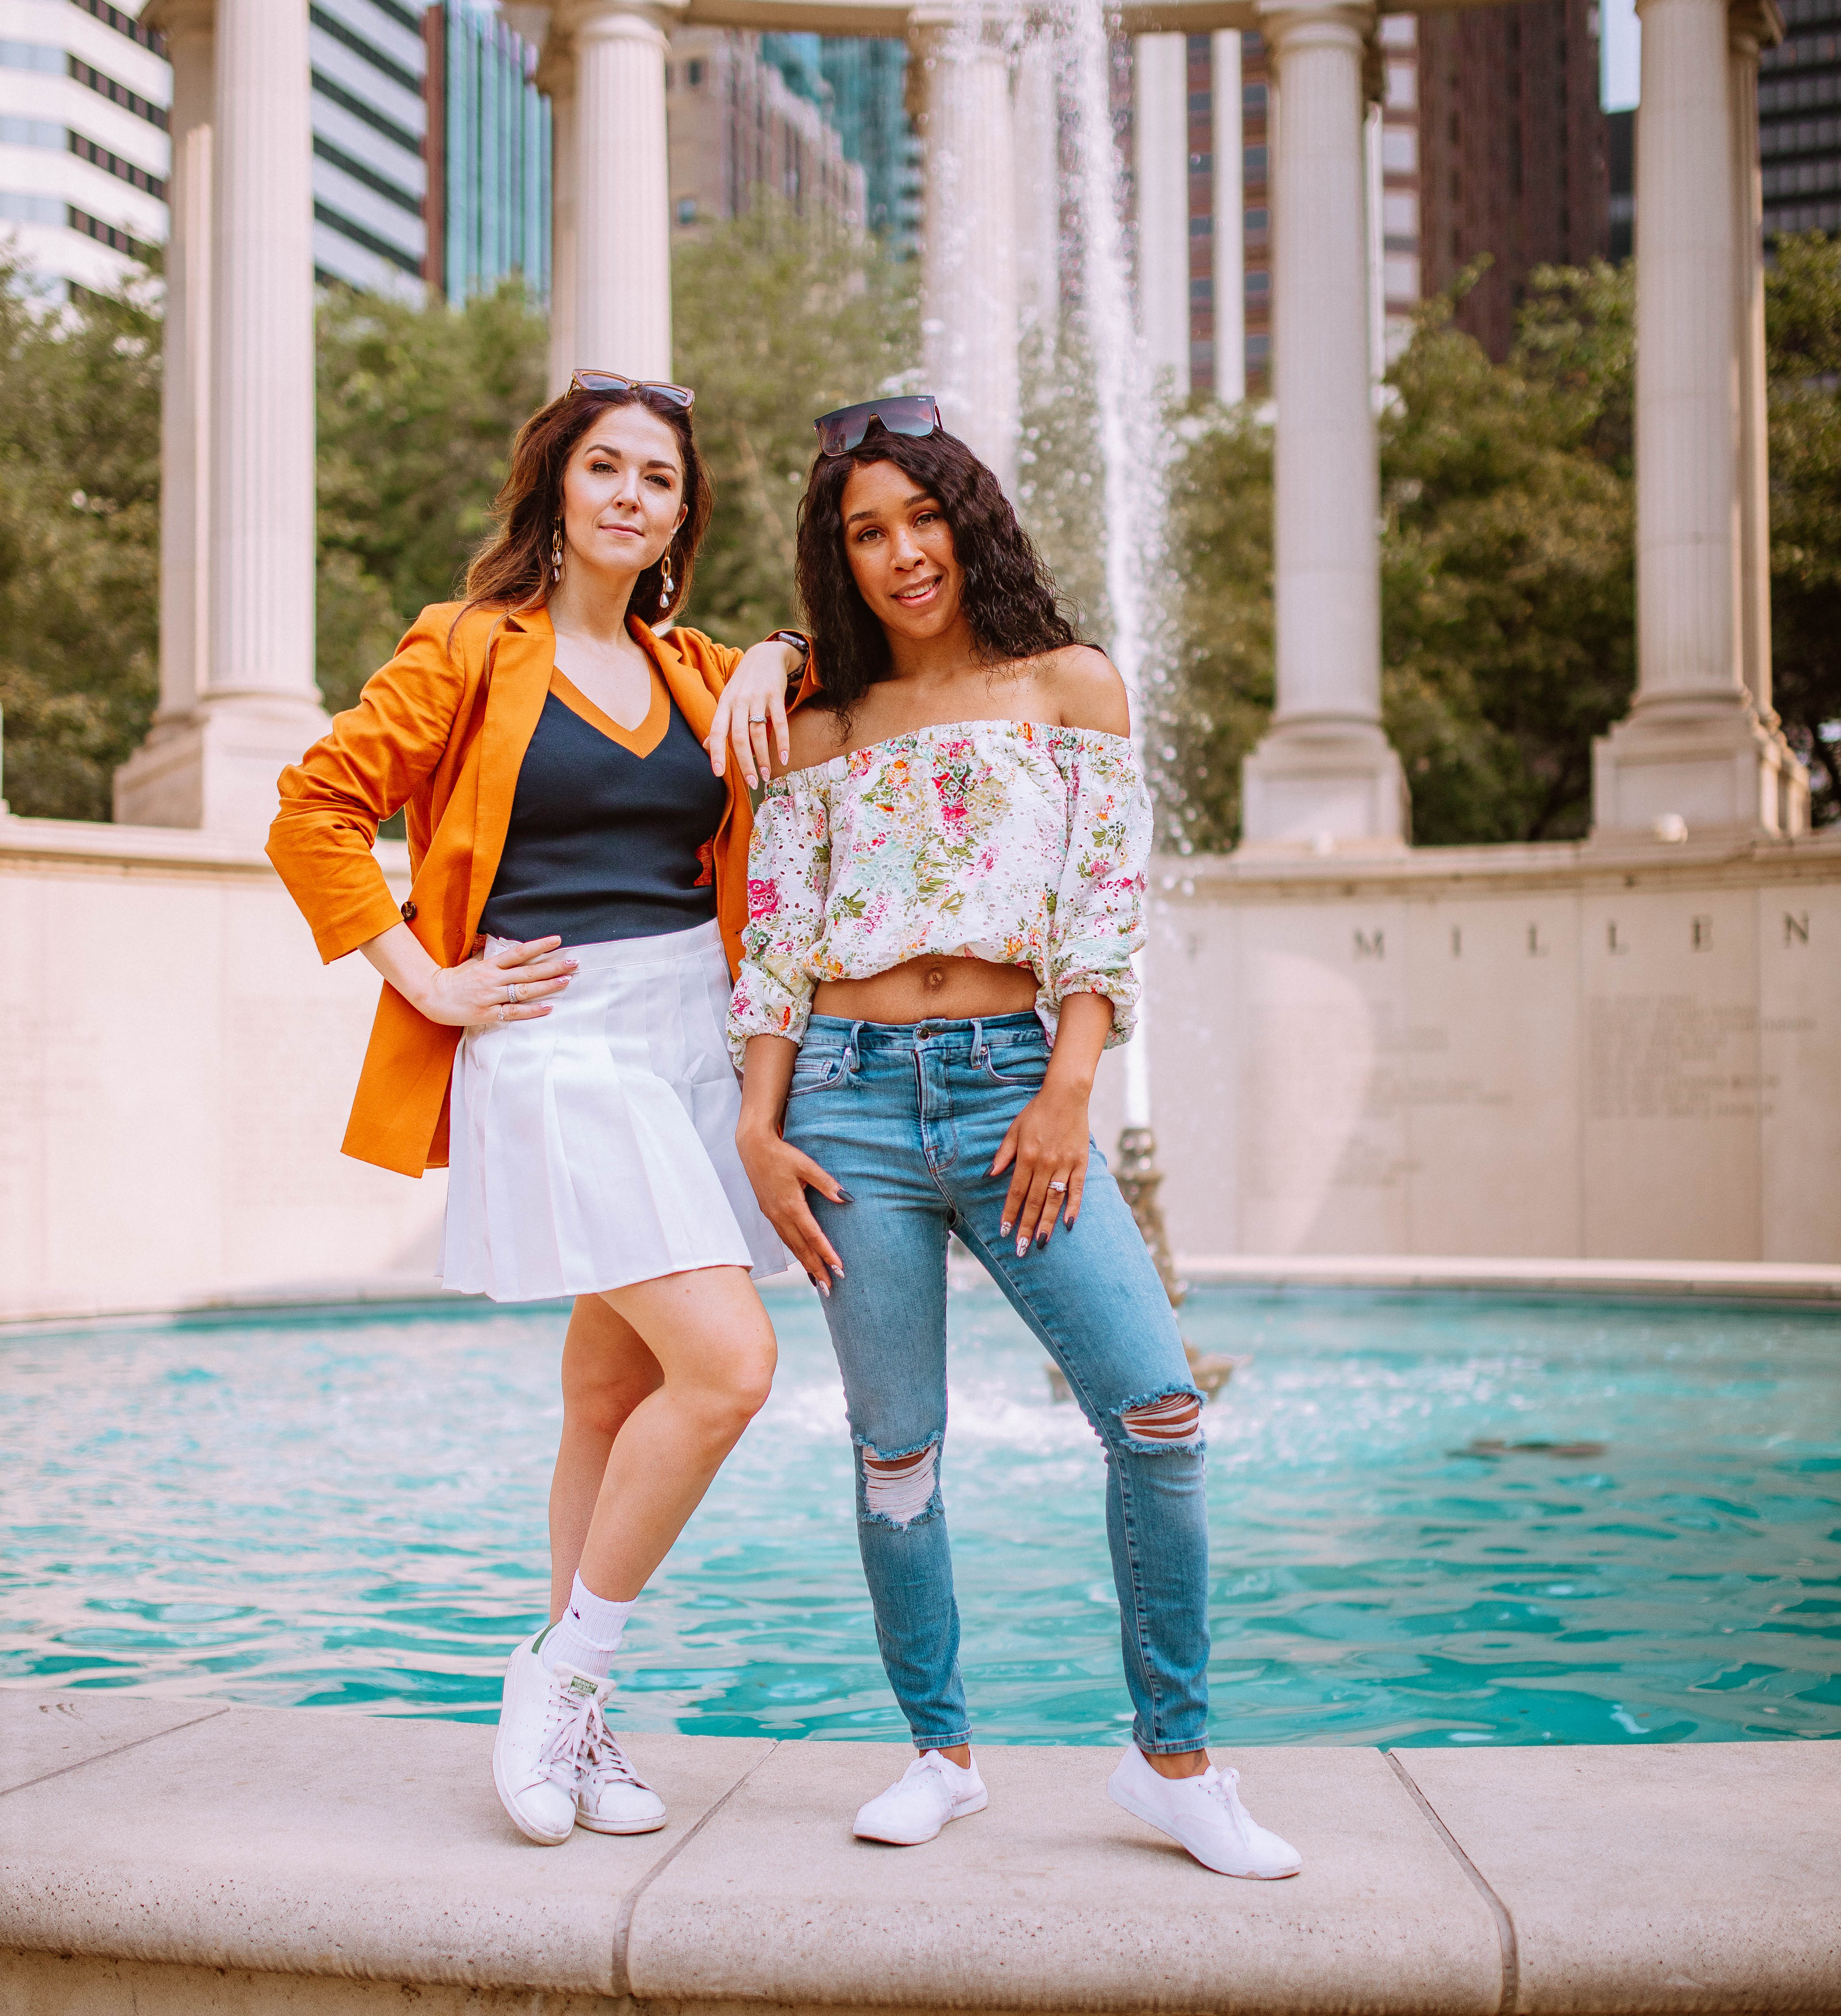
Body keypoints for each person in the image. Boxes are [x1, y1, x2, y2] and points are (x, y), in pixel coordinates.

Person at [731, 396, 1300, 1880]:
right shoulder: (817, 725)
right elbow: (781, 939)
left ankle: (1173, 1761)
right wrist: (756, 1123)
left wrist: (1068, 1089)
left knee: (1158, 1407)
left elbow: (1105, 908)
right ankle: (940, 1753)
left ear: (967, 521)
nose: (902, 553)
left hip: (1009, 1087)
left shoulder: (1071, 684)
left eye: (923, 517)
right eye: (866, 531)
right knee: (897, 1453)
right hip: (844, 1104)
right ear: (836, 558)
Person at [268, 369, 813, 1848]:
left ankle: (581, 1727)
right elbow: (311, 808)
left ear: (682, 514)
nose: (634, 496)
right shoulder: (465, 648)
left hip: (690, 1036)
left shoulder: (704, 668)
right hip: (552, 1032)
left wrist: (781, 644)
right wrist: (426, 981)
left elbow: (854, 669)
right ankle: (560, 1675)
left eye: (660, 480)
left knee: (611, 1390)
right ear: (557, 490)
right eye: (608, 470)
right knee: (728, 1366)